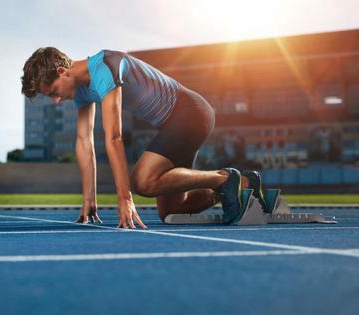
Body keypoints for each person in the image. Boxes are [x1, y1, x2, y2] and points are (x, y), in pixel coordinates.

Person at [21, 47, 266, 229]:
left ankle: (224, 179)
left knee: (143, 182)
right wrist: (89, 199)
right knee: (172, 210)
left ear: (63, 72)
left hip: (190, 113)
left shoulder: (105, 66)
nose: (55, 100)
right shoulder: (81, 90)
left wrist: (124, 198)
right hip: (172, 125)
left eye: (52, 92)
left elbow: (114, 137)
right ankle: (243, 184)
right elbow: (84, 142)